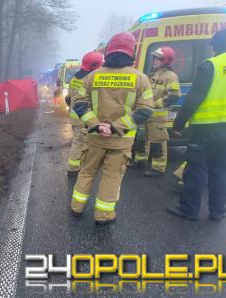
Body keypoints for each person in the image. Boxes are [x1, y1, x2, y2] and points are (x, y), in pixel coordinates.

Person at [70, 32, 154, 224]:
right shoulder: (140, 78)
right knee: (111, 177)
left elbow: (79, 104)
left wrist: (96, 125)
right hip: (121, 141)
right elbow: (145, 111)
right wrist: (115, 127)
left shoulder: (92, 76)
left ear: (108, 52)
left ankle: (76, 207)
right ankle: (103, 215)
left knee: (87, 172)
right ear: (131, 52)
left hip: (94, 138)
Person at [167, 28, 226, 221]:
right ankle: (218, 211)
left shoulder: (212, 65)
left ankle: (189, 209)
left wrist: (178, 124)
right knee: (221, 169)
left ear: (218, 45)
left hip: (207, 128)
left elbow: (194, 97)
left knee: (197, 169)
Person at [130, 47, 181, 177]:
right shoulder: (151, 75)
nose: (154, 61)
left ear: (165, 60)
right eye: (154, 58)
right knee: (141, 139)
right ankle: (140, 161)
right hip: (145, 114)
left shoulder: (171, 76)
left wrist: (155, 104)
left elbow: (174, 95)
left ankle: (158, 168)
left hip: (157, 116)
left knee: (158, 142)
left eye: (157, 58)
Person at [65, 51, 104, 176]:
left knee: (80, 141)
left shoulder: (76, 77)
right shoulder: (91, 79)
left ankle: (78, 165)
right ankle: (73, 169)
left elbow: (68, 98)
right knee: (79, 142)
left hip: (75, 117)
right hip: (84, 117)